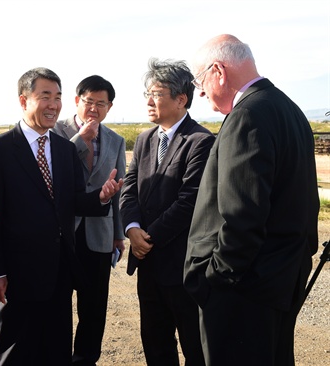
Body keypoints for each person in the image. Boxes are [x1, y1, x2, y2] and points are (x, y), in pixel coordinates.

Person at [183, 34, 320, 366]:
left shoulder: (247, 115)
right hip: (278, 281)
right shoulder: (289, 109)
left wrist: (217, 279)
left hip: (244, 291)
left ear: (219, 71)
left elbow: (242, 215)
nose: (199, 92)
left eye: (200, 81)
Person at [0, 67, 124, 366]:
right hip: (18, 273)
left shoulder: (63, 149)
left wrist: (101, 198)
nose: (53, 105)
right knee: (17, 349)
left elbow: (73, 202)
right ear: (23, 100)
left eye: (57, 97)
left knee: (56, 348)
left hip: (59, 269)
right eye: (45, 96)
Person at [119, 58, 214, 366]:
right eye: (148, 93)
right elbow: (129, 188)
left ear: (181, 98)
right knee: (155, 344)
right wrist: (132, 229)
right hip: (148, 266)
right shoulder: (147, 139)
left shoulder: (200, 141)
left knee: (194, 347)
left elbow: (190, 201)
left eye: (157, 94)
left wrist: (148, 238)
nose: (149, 101)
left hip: (182, 266)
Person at [51, 75, 126, 365]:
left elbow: (117, 190)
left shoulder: (116, 141)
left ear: (109, 107)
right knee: (57, 305)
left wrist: (118, 234)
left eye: (101, 104)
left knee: (94, 307)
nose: (94, 109)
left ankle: (85, 359)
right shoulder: (55, 132)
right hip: (61, 234)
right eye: (88, 102)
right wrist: (80, 140)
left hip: (99, 233)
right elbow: (53, 170)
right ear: (76, 101)